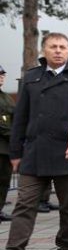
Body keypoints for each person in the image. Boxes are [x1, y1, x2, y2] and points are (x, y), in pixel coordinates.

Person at [0, 33, 68, 250]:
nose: (58, 51)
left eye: (63, 47)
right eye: (53, 46)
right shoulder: (31, 78)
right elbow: (20, 117)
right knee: (24, 204)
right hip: (35, 153)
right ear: (44, 50)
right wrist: (15, 152)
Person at [0, 65, 14, 223]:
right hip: (4, 141)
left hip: (6, 147)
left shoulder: (6, 97)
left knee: (4, 180)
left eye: (3, 75)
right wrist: (14, 135)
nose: (2, 77)